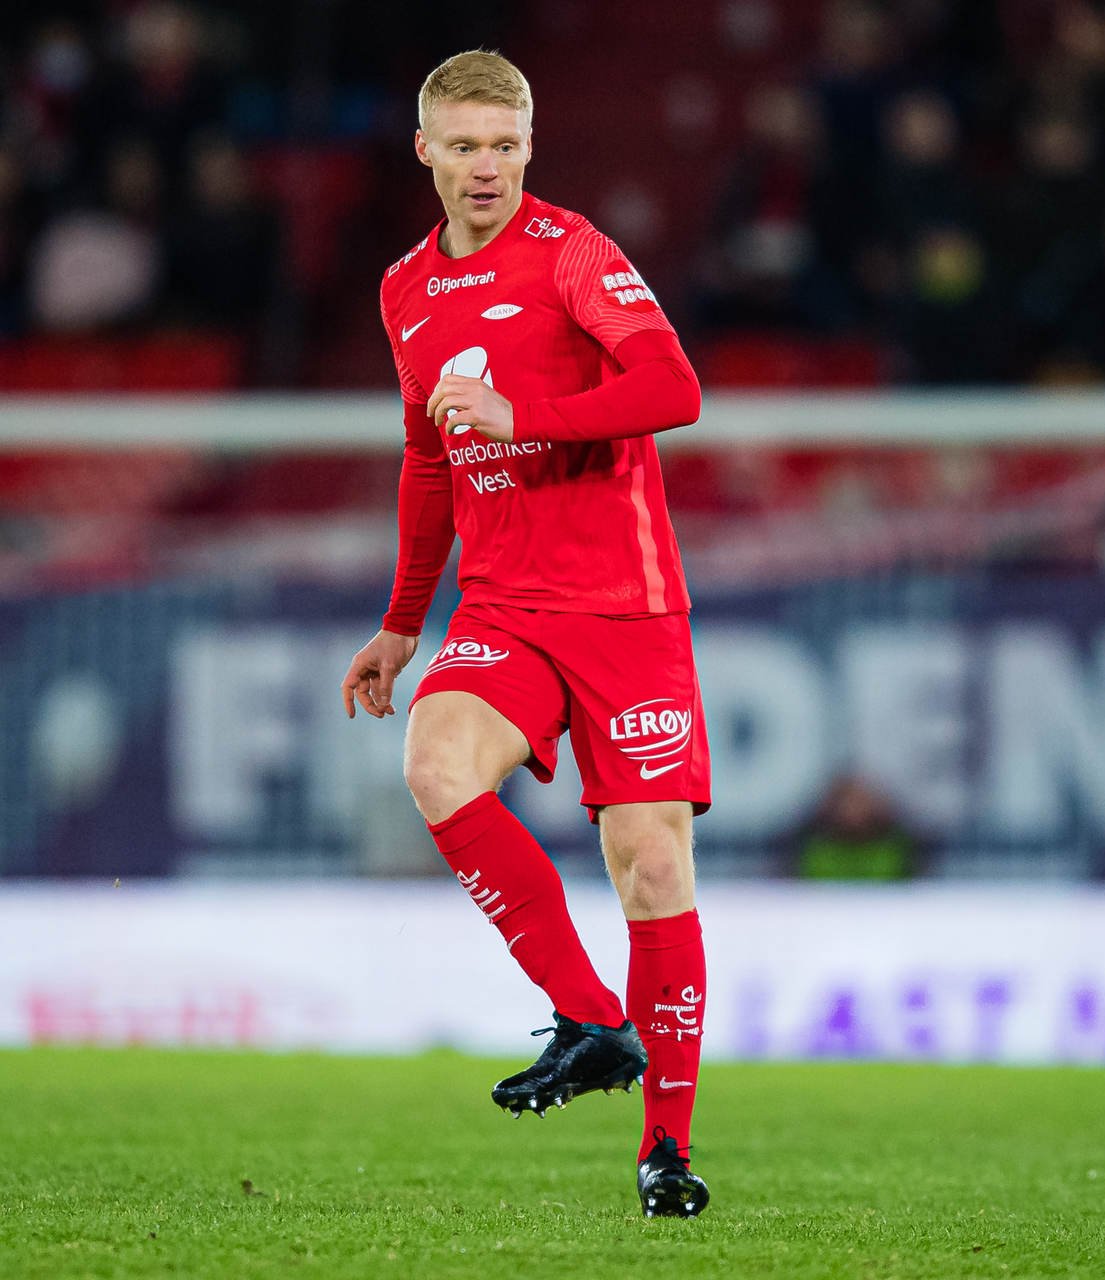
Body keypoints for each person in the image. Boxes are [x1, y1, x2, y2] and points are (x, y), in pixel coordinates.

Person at [337, 50, 711, 1217]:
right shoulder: (405, 287)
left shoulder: (575, 255)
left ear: (530, 145)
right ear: (427, 154)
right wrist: (404, 622)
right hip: (504, 605)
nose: (487, 166)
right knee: (435, 763)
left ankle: (665, 1150)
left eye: (505, 144)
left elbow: (674, 387)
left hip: (628, 608)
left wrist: (525, 413)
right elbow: (427, 457)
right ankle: (593, 1016)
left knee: (650, 865)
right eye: (465, 145)